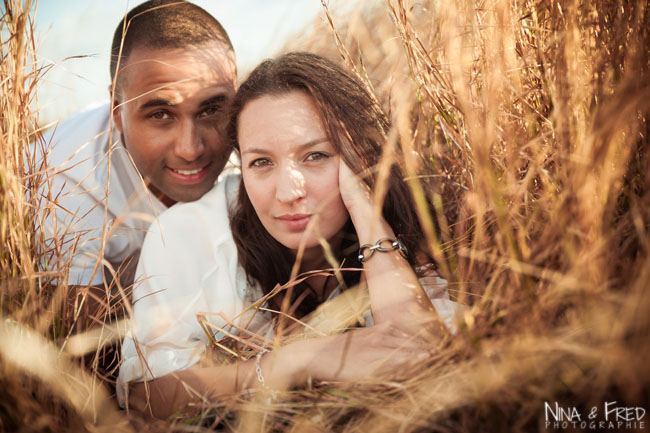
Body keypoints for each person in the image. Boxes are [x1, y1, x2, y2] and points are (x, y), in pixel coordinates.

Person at [118, 52, 458, 418]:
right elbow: (144, 399)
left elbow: (423, 349)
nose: (287, 192)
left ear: (357, 154)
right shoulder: (186, 234)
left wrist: (367, 213)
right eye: (261, 162)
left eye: (315, 155)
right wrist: (296, 361)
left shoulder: (402, 210)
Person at [39, 0, 236, 297]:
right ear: (118, 112)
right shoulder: (63, 188)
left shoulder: (256, 139)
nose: (190, 149)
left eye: (210, 110)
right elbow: (89, 333)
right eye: (160, 115)